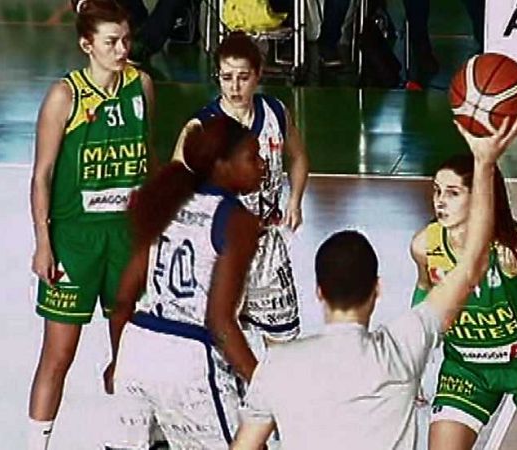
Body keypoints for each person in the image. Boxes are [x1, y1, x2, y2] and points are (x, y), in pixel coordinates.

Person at [230, 114, 517, 450]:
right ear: (377, 290)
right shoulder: (403, 345)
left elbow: (245, 447)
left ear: (319, 293)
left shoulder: (277, 365)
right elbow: (473, 262)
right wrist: (485, 163)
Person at [27, 1, 155, 448]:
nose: (122, 49)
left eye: (125, 39)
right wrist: (43, 243)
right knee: (58, 355)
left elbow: (149, 159)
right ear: (87, 45)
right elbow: (42, 175)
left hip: (127, 237)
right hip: (74, 240)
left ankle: (127, 439)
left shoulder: (141, 86)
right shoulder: (65, 96)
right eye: (111, 42)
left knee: (132, 356)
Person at [103, 116, 266, 448]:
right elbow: (220, 323)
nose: (263, 165)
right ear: (222, 165)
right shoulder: (238, 220)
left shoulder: (167, 200)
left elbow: (123, 300)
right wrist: (264, 385)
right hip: (189, 359)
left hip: (137, 348)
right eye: (253, 157)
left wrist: (118, 360)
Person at [412, 152, 517, 448]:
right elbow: (423, 294)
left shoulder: (511, 254)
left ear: (481, 196)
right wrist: (414, 365)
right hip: (468, 370)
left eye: (453, 193)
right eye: (437, 191)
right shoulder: (425, 246)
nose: (440, 201)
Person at [174, 31, 309, 347]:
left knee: (282, 345)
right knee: (221, 344)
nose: (234, 87)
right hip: (222, 250)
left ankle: (273, 396)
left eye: (243, 77)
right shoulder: (201, 126)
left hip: (267, 245)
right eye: (226, 77)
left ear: (258, 75)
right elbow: (175, 184)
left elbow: (299, 157)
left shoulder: (275, 111)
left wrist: (295, 201)